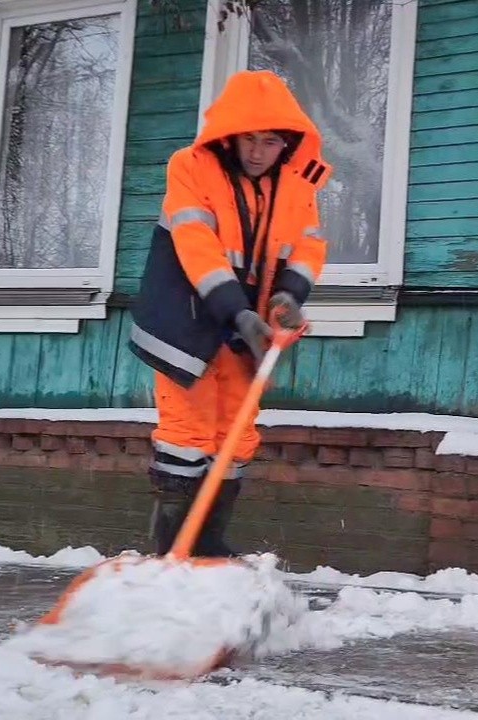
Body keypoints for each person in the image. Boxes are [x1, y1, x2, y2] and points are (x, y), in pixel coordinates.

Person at [128, 70, 330, 557]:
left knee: (236, 438)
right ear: (229, 136)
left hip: (250, 333)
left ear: (287, 143)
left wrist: (288, 296)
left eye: (270, 142)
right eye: (248, 139)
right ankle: (171, 552)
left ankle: (209, 546)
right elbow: (196, 247)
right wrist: (238, 313)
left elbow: (307, 246)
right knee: (186, 436)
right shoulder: (191, 168)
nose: (258, 152)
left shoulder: (297, 187)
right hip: (189, 322)